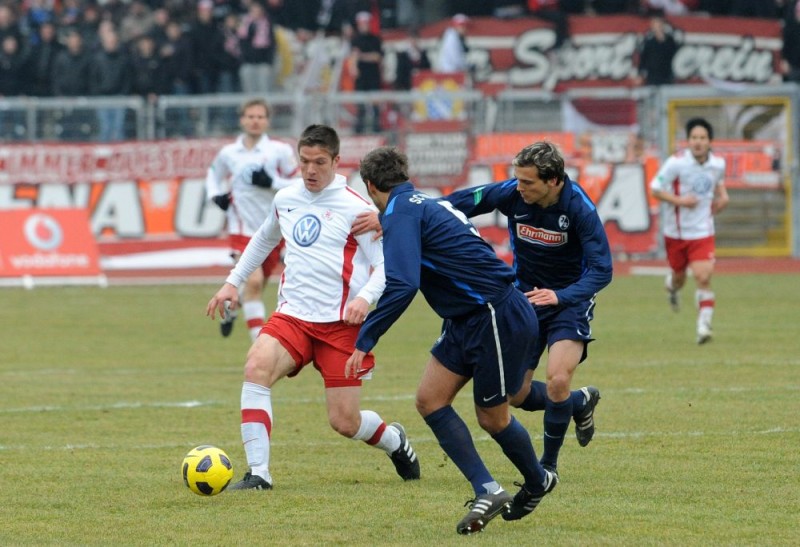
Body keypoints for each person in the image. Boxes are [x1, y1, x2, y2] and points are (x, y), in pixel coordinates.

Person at [347, 146, 557, 535]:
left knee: (492, 417)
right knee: (430, 400)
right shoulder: (417, 203)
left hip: (493, 313)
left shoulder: (401, 212)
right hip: (466, 318)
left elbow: (404, 283)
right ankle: (488, 488)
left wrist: (366, 338)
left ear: (370, 186)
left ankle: (538, 479)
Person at [206, 125, 420, 491]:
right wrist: (232, 282)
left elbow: (387, 266)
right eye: (304, 161)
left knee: (345, 422)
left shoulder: (358, 208)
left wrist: (363, 298)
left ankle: (394, 440)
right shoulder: (286, 198)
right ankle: (259, 474)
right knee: (256, 366)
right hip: (294, 317)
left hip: (341, 326)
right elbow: (262, 240)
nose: (310, 170)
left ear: (337, 161)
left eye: (319, 162)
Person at [444, 141, 612, 475]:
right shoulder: (511, 194)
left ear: (553, 181)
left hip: (569, 302)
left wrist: (561, 296)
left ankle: (547, 466)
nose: (519, 188)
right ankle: (580, 402)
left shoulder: (579, 209)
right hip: (525, 301)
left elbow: (601, 270)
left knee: (557, 380)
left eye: (527, 182)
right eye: (517, 180)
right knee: (517, 394)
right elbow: (457, 203)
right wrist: (414, 216)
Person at [205, 98, 300, 341]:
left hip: (272, 229)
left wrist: (272, 183)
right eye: (250, 116)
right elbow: (213, 175)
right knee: (254, 281)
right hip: (241, 226)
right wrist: (216, 196)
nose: (255, 121)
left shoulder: (279, 151)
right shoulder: (229, 153)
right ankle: (260, 345)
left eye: (260, 117)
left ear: (267, 121)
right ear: (242, 119)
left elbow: (299, 183)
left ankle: (231, 309)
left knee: (253, 288)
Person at [650, 117, 728, 344]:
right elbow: (655, 188)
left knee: (703, 276)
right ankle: (671, 287)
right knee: (679, 278)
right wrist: (680, 201)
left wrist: (723, 196)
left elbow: (718, 183)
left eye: (702, 138)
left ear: (709, 141)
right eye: (694, 137)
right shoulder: (676, 163)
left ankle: (704, 326)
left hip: (703, 231)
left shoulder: (718, 164)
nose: (698, 142)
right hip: (676, 233)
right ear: (688, 140)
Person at [350, 11, 383, 133]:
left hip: (373, 76)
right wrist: (353, 67)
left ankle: (377, 128)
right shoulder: (355, 40)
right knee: (360, 105)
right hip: (361, 77)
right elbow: (353, 57)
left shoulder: (375, 39)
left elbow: (377, 57)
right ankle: (359, 129)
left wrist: (361, 56)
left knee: (375, 104)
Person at [636, 11, 678, 86]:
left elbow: (675, 57)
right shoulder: (649, 42)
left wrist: (662, 39)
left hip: (667, 78)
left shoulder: (670, 41)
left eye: (659, 23)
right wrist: (640, 75)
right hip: (652, 79)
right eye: (655, 24)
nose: (658, 26)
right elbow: (643, 60)